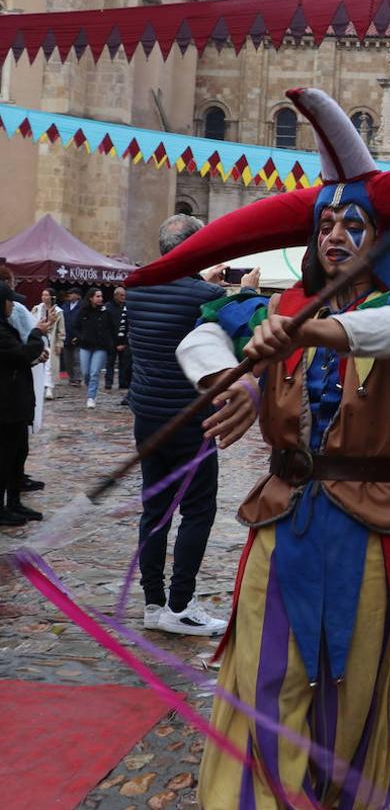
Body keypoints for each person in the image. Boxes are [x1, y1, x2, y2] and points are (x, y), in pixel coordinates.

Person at [126, 87, 390, 810]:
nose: (336, 234)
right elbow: (203, 331)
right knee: (267, 674)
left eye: (354, 222)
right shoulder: (272, 309)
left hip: (371, 524)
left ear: (381, 239)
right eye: (326, 224)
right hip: (283, 519)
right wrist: (231, 384)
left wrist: (315, 332)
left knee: (357, 679)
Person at [125, 216, 252, 636]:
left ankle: (153, 603)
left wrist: (202, 277)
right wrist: (246, 292)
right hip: (189, 419)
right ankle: (181, 605)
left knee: (155, 512)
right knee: (197, 510)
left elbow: (172, 306)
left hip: (147, 417)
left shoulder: (137, 288)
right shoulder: (209, 294)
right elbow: (231, 343)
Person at [0, 284, 47, 527]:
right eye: (9, 302)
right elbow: (21, 354)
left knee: (18, 454)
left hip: (15, 404)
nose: (12, 307)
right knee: (6, 457)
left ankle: (14, 502)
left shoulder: (5, 328)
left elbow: (17, 360)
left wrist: (34, 355)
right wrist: (37, 333)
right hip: (6, 407)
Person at [74, 287, 117, 408]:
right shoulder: (83, 311)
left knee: (94, 372)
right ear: (91, 298)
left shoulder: (105, 312)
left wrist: (112, 343)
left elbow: (113, 328)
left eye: (101, 296)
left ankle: (91, 397)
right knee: (86, 372)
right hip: (85, 346)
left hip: (101, 347)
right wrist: (80, 336)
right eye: (97, 296)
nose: (100, 299)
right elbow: (75, 327)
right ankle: (91, 389)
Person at [31, 289, 64, 400]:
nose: (44, 297)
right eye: (42, 295)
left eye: (46, 295)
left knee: (49, 365)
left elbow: (61, 330)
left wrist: (60, 343)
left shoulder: (58, 311)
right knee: (38, 362)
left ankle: (49, 387)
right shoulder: (36, 309)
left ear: (51, 297)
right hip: (38, 338)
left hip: (51, 339)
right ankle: (38, 386)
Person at [104, 286, 131, 392]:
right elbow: (105, 326)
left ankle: (123, 383)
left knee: (124, 363)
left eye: (124, 295)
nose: (123, 297)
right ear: (115, 295)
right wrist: (110, 342)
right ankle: (108, 383)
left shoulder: (127, 307)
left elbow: (129, 325)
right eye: (121, 295)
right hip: (111, 340)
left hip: (124, 341)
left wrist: (124, 342)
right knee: (110, 363)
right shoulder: (108, 307)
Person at [60, 287, 84, 385]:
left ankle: (77, 378)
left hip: (77, 336)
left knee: (77, 358)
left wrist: (80, 335)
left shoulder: (82, 306)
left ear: (78, 295)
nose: (69, 295)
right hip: (66, 335)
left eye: (72, 293)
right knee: (67, 359)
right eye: (69, 293)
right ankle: (71, 377)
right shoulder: (64, 306)